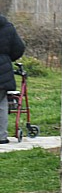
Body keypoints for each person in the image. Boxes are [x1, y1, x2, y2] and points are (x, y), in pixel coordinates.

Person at [0, 11, 25, 144]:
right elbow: (18, 48)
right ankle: (1, 136)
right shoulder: (7, 27)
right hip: (3, 69)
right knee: (2, 103)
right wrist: (7, 58)